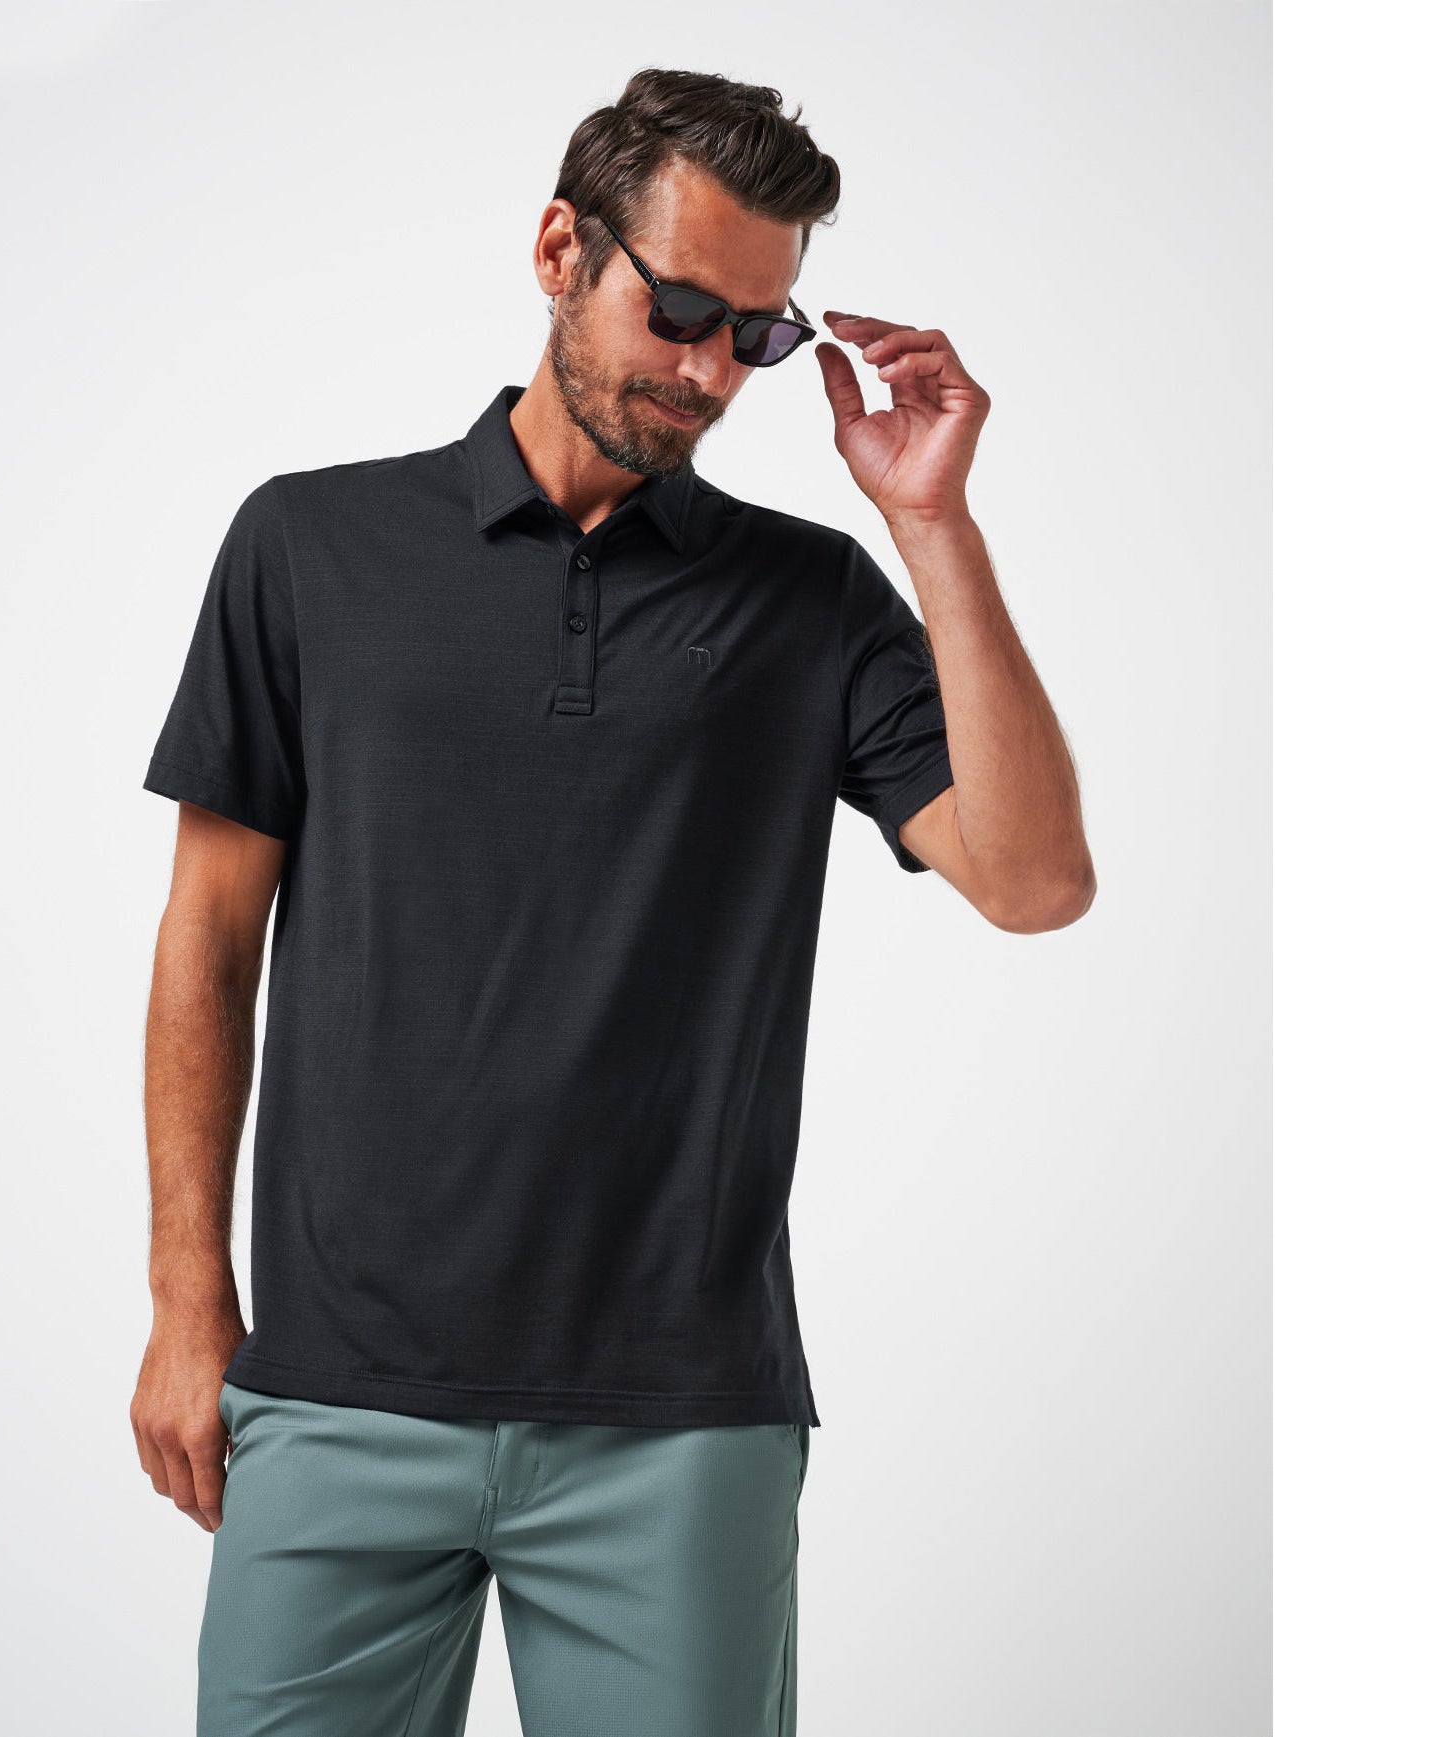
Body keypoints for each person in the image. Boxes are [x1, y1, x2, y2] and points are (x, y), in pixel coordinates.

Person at [132, 65, 1094, 1737]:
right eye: (684, 312)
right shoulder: (308, 547)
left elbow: (1033, 880)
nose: (713, 371)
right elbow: (207, 947)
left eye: (758, 336)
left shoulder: (809, 597)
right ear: (558, 250)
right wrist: (184, 1301)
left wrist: (931, 526)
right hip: (339, 1392)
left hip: (679, 1418)